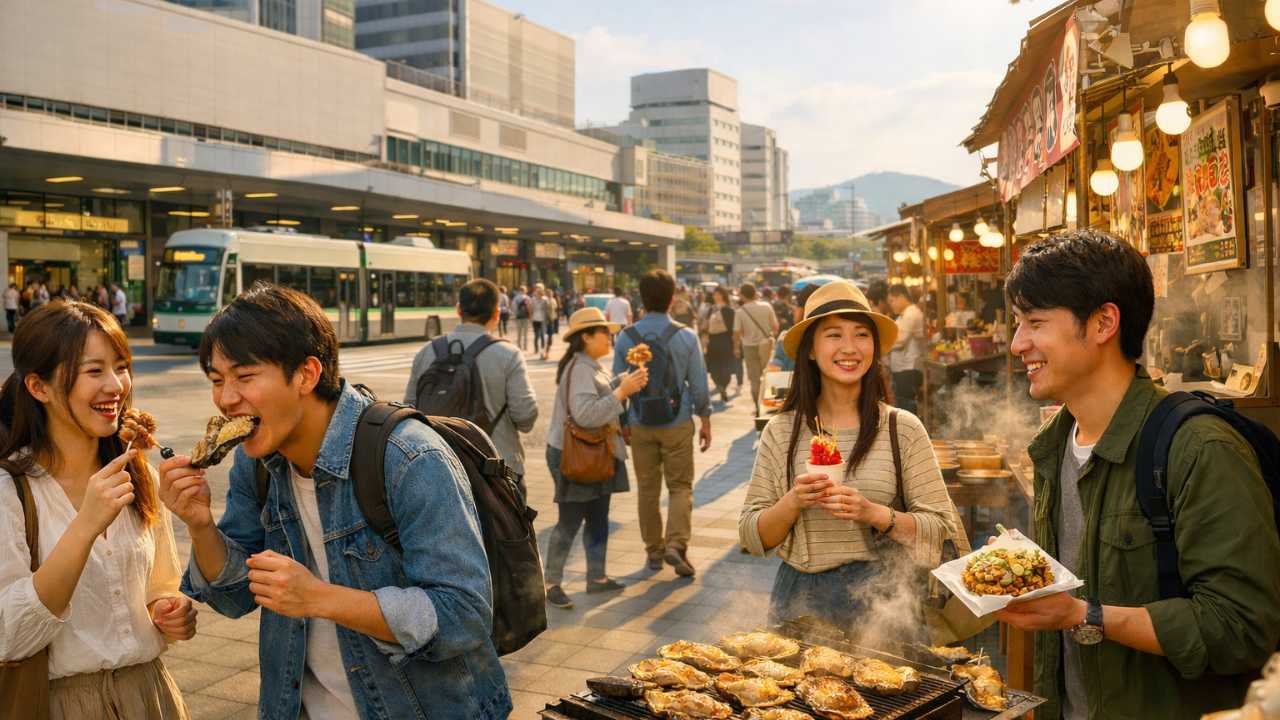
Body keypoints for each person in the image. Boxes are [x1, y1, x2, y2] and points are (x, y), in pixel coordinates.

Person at [162, 285, 512, 720]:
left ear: (307, 374)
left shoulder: (408, 458)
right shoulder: (257, 464)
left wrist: (319, 598)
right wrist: (198, 524)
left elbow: (463, 616)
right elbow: (235, 597)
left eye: (244, 377)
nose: (226, 398)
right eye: (217, 380)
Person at [997, 230, 1280, 720]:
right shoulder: (1055, 445)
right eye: (1018, 323)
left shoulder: (1200, 449)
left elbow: (1242, 629)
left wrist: (1085, 616)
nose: (1018, 343)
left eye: (1035, 322)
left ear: (1104, 322)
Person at [0, 301, 195, 720]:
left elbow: (161, 584)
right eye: (94, 371)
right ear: (39, 387)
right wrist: (85, 525)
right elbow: (9, 634)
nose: (117, 385)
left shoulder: (139, 475)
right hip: (55, 704)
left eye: (122, 366)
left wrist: (166, 609)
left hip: (149, 696)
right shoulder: (10, 491)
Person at [739, 280, 964, 637]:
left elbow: (940, 531)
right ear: (810, 349)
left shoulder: (901, 428)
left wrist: (872, 513)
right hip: (799, 601)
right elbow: (752, 536)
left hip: (887, 603)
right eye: (833, 335)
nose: (849, 348)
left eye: (861, 334)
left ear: (874, 348)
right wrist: (793, 502)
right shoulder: (782, 431)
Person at [544, 308, 649, 609]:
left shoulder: (591, 365)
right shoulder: (579, 369)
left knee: (599, 515)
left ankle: (597, 577)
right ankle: (551, 583)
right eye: (604, 332)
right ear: (586, 337)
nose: (609, 336)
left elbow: (598, 398)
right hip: (574, 454)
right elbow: (585, 414)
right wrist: (621, 393)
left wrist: (623, 383)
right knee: (570, 520)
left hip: (594, 453)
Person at [613, 270, 712, 577]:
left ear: (640, 299)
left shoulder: (626, 337)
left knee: (647, 488)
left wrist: (622, 422)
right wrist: (705, 419)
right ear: (672, 300)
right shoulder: (686, 335)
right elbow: (698, 383)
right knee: (680, 486)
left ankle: (654, 551)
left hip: (640, 422)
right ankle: (677, 544)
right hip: (678, 422)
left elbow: (617, 385)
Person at [404, 279, 538, 486]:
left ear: (459, 309)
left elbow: (409, 411)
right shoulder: (508, 354)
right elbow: (525, 417)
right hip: (496, 471)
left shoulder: (427, 352)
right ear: (496, 313)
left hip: (439, 469)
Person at [735, 283, 780, 415]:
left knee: (754, 379)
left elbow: (737, 332)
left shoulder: (740, 311)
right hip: (766, 345)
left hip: (749, 347)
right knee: (769, 376)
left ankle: (758, 407)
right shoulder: (766, 306)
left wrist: (736, 347)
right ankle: (770, 406)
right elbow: (776, 327)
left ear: (742, 295)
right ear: (755, 293)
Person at [887, 284, 925, 415]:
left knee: (907, 404)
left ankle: (909, 432)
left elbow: (899, 341)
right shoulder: (903, 315)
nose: (891, 305)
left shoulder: (911, 314)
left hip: (908, 368)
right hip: (902, 368)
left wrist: (882, 345)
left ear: (901, 297)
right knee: (902, 402)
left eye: (892, 300)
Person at [702, 286, 737, 402]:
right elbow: (705, 327)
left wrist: (735, 345)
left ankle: (723, 386)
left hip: (726, 340)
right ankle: (720, 386)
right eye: (714, 294)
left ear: (723, 295)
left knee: (726, 366)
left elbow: (733, 329)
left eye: (718, 294)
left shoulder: (729, 310)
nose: (716, 296)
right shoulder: (710, 310)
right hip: (713, 341)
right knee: (713, 366)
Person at [531, 284, 549, 356]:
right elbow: (531, 308)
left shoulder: (545, 299)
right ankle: (536, 349)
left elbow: (548, 309)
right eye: (537, 292)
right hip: (535, 319)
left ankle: (542, 349)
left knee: (542, 335)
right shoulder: (533, 299)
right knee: (536, 335)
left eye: (540, 293)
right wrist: (530, 317)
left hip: (542, 319)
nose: (538, 294)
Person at [542, 290, 559, 361]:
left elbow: (555, 309)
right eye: (548, 293)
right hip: (546, 321)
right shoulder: (545, 301)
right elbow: (545, 311)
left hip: (553, 320)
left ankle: (547, 353)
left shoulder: (554, 300)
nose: (550, 294)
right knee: (546, 337)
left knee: (550, 337)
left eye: (551, 293)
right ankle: (545, 354)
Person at [513, 285, 531, 351]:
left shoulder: (515, 298)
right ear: (525, 290)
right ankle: (525, 346)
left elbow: (514, 307)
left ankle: (519, 346)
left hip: (518, 317)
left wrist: (515, 314)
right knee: (526, 333)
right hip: (526, 317)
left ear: (519, 290)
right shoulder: (528, 298)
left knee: (519, 333)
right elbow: (530, 308)